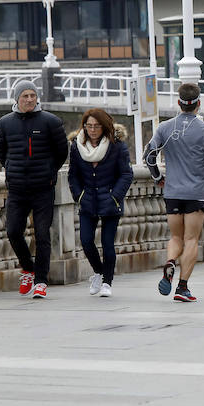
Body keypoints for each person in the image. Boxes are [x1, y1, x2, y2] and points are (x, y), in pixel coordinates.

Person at [145, 83, 204, 303]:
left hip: (172, 192)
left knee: (175, 237)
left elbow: (149, 154)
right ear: (198, 103)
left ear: (178, 103)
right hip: (196, 193)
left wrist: (157, 177)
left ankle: (170, 261)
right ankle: (182, 286)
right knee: (191, 239)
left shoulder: (164, 127)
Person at [0, 80, 68, 299]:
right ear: (16, 98)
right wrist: (11, 169)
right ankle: (28, 269)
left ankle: (41, 281)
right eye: (24, 96)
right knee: (13, 231)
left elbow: (62, 152)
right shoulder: (4, 123)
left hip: (43, 188)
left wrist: (49, 171)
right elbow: (1, 152)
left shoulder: (50, 122)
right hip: (17, 188)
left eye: (32, 96)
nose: (29, 100)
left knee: (43, 234)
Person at [67, 108, 134, 298]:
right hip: (87, 202)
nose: (93, 130)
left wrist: (115, 196)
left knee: (107, 244)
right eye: (89, 126)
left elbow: (126, 174)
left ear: (104, 127)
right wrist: (79, 196)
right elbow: (73, 176)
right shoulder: (76, 146)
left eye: (97, 126)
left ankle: (107, 282)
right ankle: (98, 271)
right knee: (86, 241)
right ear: (84, 127)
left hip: (110, 202)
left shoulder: (117, 146)